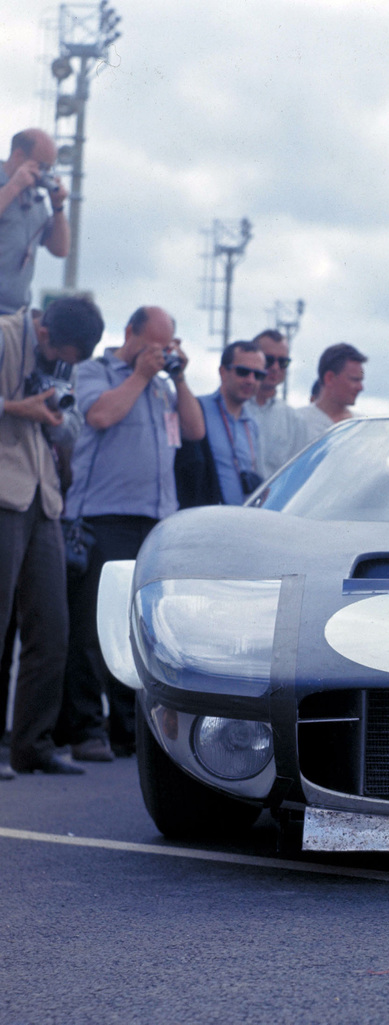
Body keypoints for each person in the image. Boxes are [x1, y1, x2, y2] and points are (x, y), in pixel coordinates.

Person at [57, 306, 204, 761]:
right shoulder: (94, 371)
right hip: (102, 516)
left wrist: (177, 378)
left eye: (167, 346)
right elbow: (101, 415)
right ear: (131, 334)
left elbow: (195, 430)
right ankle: (84, 729)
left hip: (153, 520)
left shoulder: (161, 386)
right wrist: (140, 374)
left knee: (136, 631)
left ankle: (127, 729)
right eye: (153, 344)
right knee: (90, 629)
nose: (159, 354)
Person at [0, 295, 104, 777]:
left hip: (44, 499)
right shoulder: (4, 336)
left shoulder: (68, 356)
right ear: (43, 334)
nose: (68, 367)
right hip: (3, 493)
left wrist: (60, 421)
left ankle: (32, 745)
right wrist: (16, 406)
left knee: (53, 630)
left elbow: (74, 426)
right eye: (64, 356)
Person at [175, 341, 265, 507]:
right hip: (205, 519)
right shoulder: (198, 409)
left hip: (242, 519)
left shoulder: (252, 424)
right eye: (243, 372)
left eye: (258, 375)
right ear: (223, 372)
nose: (250, 380)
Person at [0, 129, 69, 314]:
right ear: (18, 156)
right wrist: (14, 186)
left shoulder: (34, 200)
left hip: (15, 313)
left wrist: (58, 207)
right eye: (42, 166)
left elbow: (60, 249)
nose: (44, 174)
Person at [247, 328, 307, 477]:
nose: (275, 367)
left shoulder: (294, 421)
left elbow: (297, 474)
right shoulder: (232, 408)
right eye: (268, 360)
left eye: (283, 362)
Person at [294, 342, 367, 442]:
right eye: (354, 380)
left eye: (360, 380)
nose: (360, 387)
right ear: (330, 378)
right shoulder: (296, 423)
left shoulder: (363, 426)